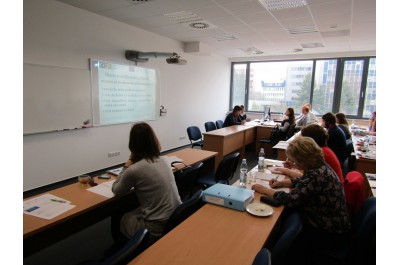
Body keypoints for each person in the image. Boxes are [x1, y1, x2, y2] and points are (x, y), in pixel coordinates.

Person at [252, 137, 350, 265]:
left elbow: (290, 200)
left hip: (328, 233)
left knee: (280, 219)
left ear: (303, 160)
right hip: (334, 225)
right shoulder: (320, 167)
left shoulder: (316, 176)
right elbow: (302, 180)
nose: (293, 163)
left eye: (294, 160)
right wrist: (280, 183)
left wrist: (264, 189)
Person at [111, 122, 182, 245]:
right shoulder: (164, 160)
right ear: (153, 140)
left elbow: (116, 190)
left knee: (120, 216)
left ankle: (123, 250)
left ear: (132, 144)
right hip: (176, 216)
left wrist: (126, 166)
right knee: (133, 206)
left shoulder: (134, 169)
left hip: (156, 228)